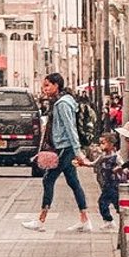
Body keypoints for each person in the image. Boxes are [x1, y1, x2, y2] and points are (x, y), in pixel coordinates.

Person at [26, 72, 90, 231]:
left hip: (64, 147)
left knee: (48, 180)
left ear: (56, 85)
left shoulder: (62, 104)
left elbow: (70, 128)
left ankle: (41, 220)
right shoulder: (61, 102)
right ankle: (85, 219)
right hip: (64, 147)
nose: (45, 89)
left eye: (47, 85)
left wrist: (77, 151)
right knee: (73, 182)